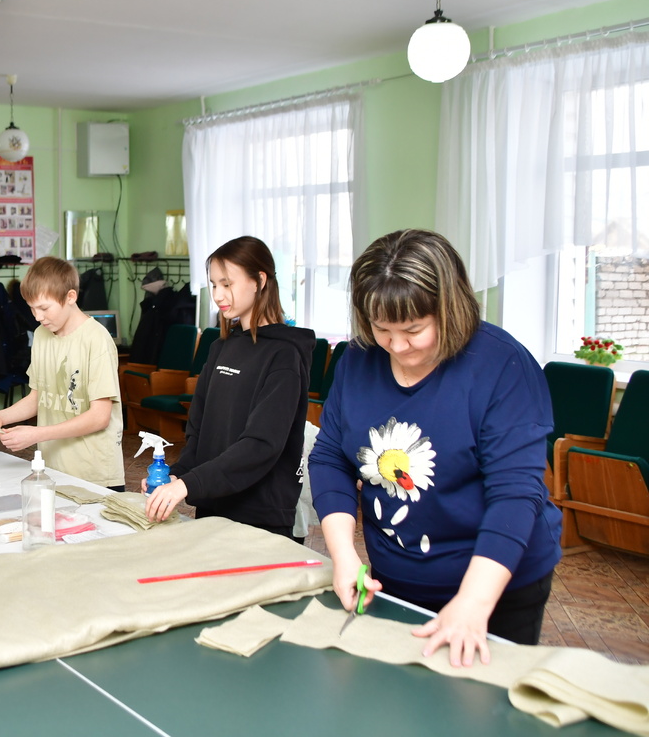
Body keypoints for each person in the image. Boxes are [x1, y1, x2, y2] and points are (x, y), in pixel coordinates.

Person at [308, 229, 561, 667]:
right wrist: (344, 555)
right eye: (382, 329)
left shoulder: (501, 366)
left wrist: (474, 602)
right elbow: (331, 456)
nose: (397, 346)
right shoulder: (359, 358)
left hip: (495, 586)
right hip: (395, 578)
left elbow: (515, 495)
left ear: (450, 308)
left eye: (414, 330)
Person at [143, 236, 315, 538]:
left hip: (260, 518)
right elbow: (199, 435)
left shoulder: (284, 355)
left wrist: (188, 484)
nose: (218, 295)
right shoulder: (220, 348)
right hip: (213, 507)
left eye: (227, 284)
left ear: (259, 280)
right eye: (213, 285)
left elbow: (260, 446)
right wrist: (176, 475)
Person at [0, 257, 124, 490]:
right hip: (52, 469)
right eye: (32, 308)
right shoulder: (42, 334)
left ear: (70, 297)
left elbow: (99, 417)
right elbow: (38, 397)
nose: (37, 316)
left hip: (94, 473)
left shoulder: (97, 339)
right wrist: (1, 417)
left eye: (44, 308)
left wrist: (37, 434)